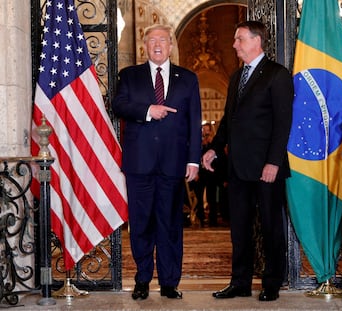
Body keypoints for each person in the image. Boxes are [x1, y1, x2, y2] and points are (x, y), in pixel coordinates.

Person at [202, 21, 293, 301]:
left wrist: (273, 163)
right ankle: (240, 282)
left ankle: (271, 284)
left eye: (239, 39)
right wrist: (214, 148)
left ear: (257, 41)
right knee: (239, 230)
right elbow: (229, 122)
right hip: (238, 168)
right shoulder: (235, 77)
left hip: (267, 168)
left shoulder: (277, 75)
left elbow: (282, 123)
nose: (234, 44)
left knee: (270, 227)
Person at [112, 24, 202, 300]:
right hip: (139, 164)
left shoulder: (187, 78)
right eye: (152, 41)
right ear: (145, 46)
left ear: (171, 45)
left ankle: (169, 282)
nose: (158, 44)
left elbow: (194, 122)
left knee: (170, 224)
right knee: (141, 224)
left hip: (173, 164)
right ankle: (141, 280)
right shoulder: (129, 75)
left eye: (163, 40)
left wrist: (194, 160)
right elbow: (118, 106)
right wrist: (148, 111)